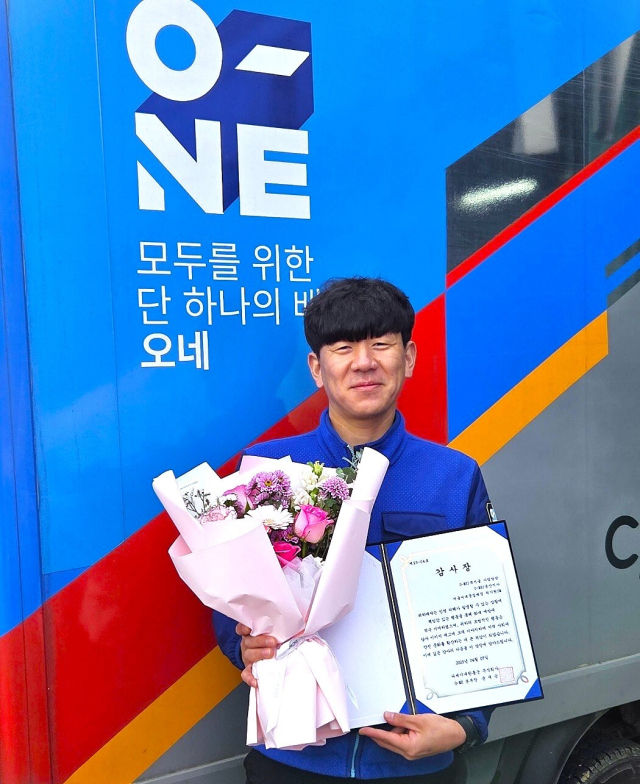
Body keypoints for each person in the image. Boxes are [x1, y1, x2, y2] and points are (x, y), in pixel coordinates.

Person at [214, 277, 494, 782]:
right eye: (343, 348)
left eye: (381, 344)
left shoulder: (454, 476)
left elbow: (487, 614)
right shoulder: (267, 471)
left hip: (416, 766)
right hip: (294, 757)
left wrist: (466, 726)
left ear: (409, 357)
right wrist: (245, 647)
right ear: (316, 368)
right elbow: (231, 603)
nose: (364, 362)